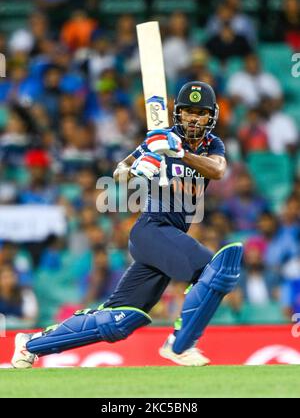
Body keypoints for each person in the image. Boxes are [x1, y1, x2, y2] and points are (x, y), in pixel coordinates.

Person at [12, 81, 243, 368]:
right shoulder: (159, 139)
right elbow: (119, 172)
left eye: (201, 112)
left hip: (168, 238)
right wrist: (138, 168)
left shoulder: (212, 145)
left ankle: (30, 345)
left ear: (211, 117)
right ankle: (180, 344)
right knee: (215, 269)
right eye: (188, 112)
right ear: (178, 114)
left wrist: (178, 153)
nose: (193, 118)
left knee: (120, 319)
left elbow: (218, 170)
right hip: (152, 230)